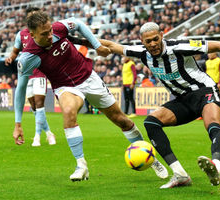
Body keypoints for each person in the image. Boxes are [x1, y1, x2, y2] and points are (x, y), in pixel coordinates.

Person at [97, 22, 220, 188]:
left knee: (213, 125)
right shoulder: (141, 53)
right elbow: (111, 45)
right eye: (148, 41)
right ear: (142, 41)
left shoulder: (180, 47)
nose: (153, 44)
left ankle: (215, 166)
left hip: (203, 91)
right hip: (182, 100)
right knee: (151, 122)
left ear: (162, 35)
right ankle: (180, 174)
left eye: (156, 39)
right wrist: (77, 39)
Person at [13, 12, 168, 182]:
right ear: (32, 34)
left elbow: (78, 24)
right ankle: (81, 165)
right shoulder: (28, 57)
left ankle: (150, 159)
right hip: (66, 87)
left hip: (89, 77)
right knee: (69, 111)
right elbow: (20, 89)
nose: (50, 35)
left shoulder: (58, 28)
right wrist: (18, 123)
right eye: (44, 34)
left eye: (50, 30)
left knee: (121, 120)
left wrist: (96, 44)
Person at [5, 7, 56, 146]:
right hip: (27, 74)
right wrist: (10, 58)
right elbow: (15, 51)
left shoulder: (45, 33)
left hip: (40, 73)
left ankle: (37, 136)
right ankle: (49, 133)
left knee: (39, 104)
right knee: (33, 106)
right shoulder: (21, 35)